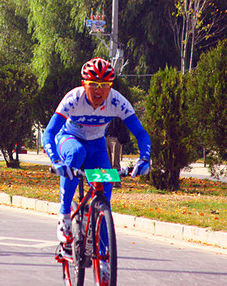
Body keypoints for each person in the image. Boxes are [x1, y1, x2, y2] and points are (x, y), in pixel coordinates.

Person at [42, 57, 151, 243]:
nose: (99, 90)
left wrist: (145, 159)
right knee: (76, 153)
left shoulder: (117, 101)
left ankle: (102, 255)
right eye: (93, 84)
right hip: (69, 138)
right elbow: (50, 132)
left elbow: (140, 133)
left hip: (96, 144)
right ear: (84, 84)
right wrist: (55, 160)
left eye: (104, 84)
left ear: (111, 85)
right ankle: (64, 217)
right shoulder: (73, 99)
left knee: (105, 187)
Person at [105, 116, 130, 187]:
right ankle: (108, 183)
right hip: (106, 137)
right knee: (107, 163)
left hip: (115, 138)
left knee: (115, 162)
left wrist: (120, 138)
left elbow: (123, 126)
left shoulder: (118, 112)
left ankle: (116, 183)